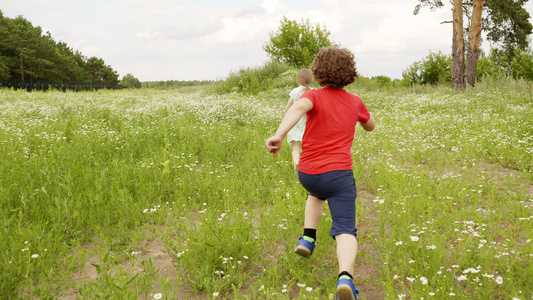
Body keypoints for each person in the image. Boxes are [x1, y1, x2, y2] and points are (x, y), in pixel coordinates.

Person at [265, 46, 375, 300]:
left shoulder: (312, 96)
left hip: (308, 172)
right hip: (338, 175)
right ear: (350, 74)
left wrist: (279, 135)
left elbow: (296, 108)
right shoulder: (355, 101)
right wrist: (363, 117)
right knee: (345, 228)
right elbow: (370, 126)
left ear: (318, 72)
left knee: (316, 194)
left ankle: (307, 238)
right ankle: (345, 278)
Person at [284, 68, 314, 178]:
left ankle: (297, 164)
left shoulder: (295, 92)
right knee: (309, 149)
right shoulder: (314, 92)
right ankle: (309, 169)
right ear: (311, 81)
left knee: (296, 149)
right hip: (310, 125)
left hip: (296, 124)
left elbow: (288, 108)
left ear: (298, 81)